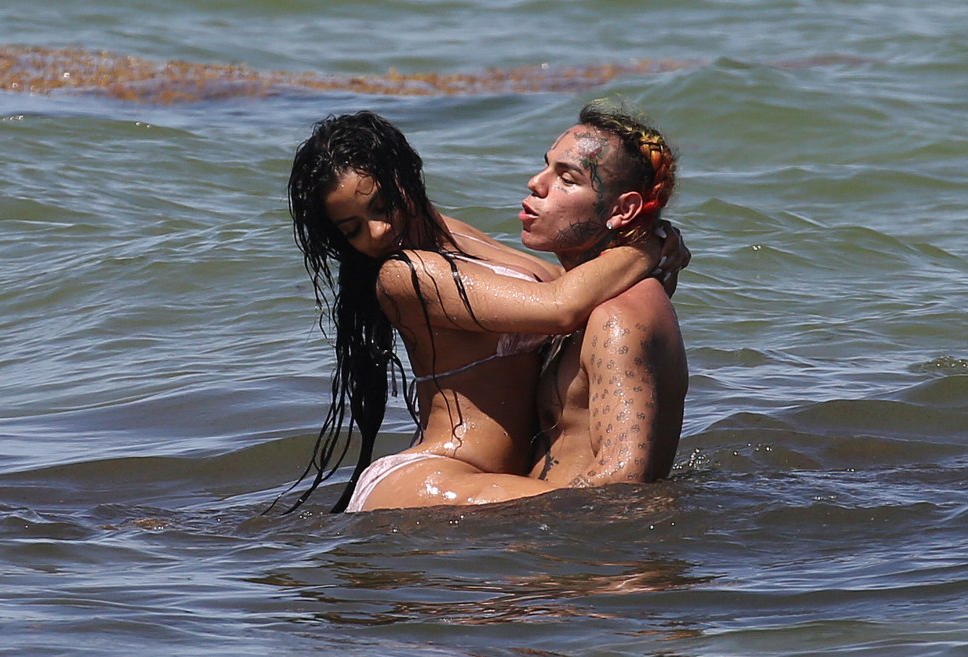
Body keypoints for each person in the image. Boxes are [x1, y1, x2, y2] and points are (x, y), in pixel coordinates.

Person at [279, 109, 685, 513]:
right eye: (352, 230)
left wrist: (653, 269)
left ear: (404, 177)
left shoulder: (454, 234)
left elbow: (581, 292)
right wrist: (650, 245)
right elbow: (561, 306)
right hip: (436, 477)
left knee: (596, 504)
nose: (378, 231)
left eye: (382, 206)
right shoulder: (405, 275)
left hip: (489, 480)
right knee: (598, 503)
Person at [523, 102, 688, 488]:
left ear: (623, 209)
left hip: (574, 538)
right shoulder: (582, 293)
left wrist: (515, 530)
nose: (536, 182)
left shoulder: (619, 317)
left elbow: (623, 478)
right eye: (546, 165)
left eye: (566, 178)